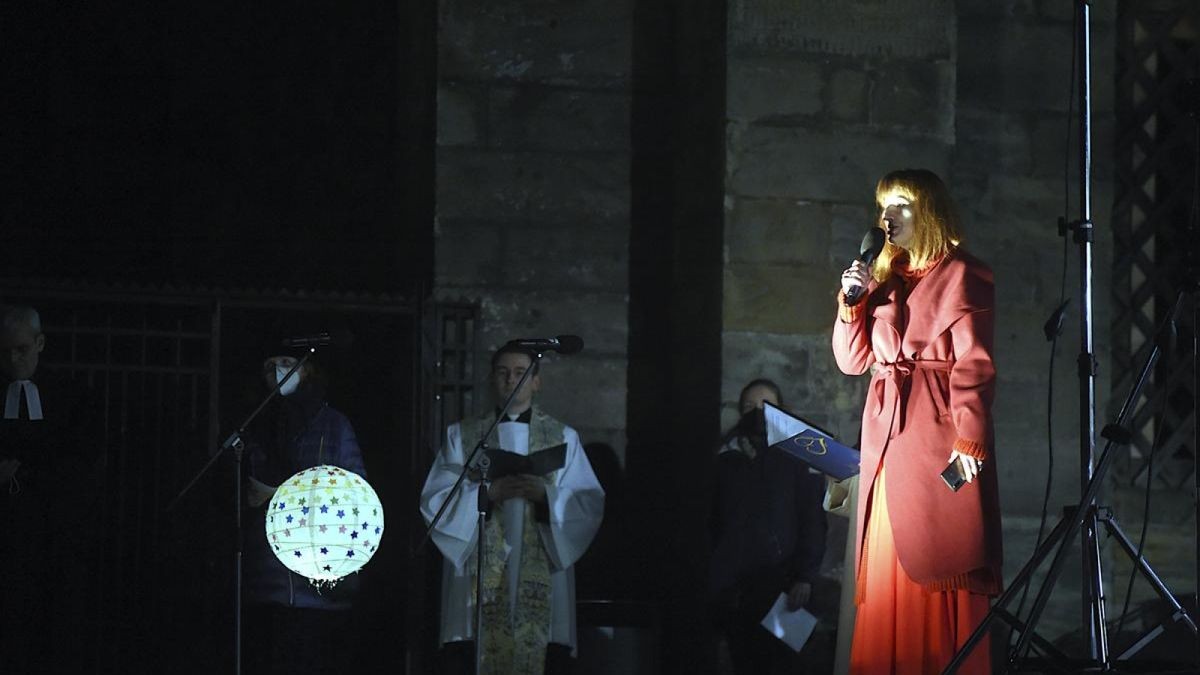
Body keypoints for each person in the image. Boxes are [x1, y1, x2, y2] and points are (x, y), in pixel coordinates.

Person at [833, 169, 1002, 674]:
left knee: (938, 558)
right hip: (885, 439)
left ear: (929, 210)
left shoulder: (964, 274)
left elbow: (974, 365)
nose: (888, 215)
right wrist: (851, 303)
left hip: (935, 437)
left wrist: (969, 441)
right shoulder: (881, 280)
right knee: (888, 568)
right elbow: (852, 361)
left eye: (901, 203)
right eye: (884, 204)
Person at [420, 344, 605, 675]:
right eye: (504, 373)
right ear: (492, 379)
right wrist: (488, 492)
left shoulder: (563, 437)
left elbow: (588, 501)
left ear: (537, 382)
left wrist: (546, 495)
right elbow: (436, 499)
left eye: (521, 373)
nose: (511, 380)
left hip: (541, 569)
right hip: (477, 574)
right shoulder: (463, 436)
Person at [241, 354, 368, 674]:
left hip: (321, 585)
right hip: (267, 582)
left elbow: (355, 493)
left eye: (285, 362)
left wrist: (280, 495)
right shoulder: (256, 425)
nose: (277, 372)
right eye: (269, 366)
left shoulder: (334, 425)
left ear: (308, 368)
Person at [0, 304, 98, 672]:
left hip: (58, 535)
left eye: (21, 349)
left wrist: (26, 475)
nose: (13, 358)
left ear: (39, 344)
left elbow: (82, 460)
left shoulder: (70, 395)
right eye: (6, 350)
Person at [709, 378, 828, 675]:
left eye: (765, 405)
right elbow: (713, 519)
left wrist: (805, 576)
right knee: (744, 662)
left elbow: (812, 517)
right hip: (736, 592)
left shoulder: (798, 454)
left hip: (782, 586)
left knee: (783, 665)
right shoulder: (725, 457)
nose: (757, 412)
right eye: (749, 406)